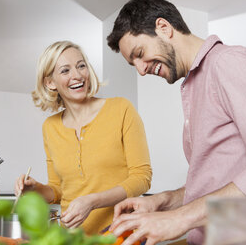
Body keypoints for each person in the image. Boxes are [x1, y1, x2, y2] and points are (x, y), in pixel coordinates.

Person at [106, 0, 246, 244]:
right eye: (132, 64)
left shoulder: (228, 63)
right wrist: (165, 200)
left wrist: (182, 218)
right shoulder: (193, 85)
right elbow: (215, 182)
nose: (141, 70)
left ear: (164, 28)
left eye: (140, 54)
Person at [14, 41, 152, 235]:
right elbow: (57, 190)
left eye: (81, 66)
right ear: (50, 82)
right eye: (65, 71)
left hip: (123, 234)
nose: (77, 75)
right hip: (73, 237)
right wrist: (34, 189)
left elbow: (141, 178)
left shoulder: (121, 109)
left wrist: (92, 202)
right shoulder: (50, 127)